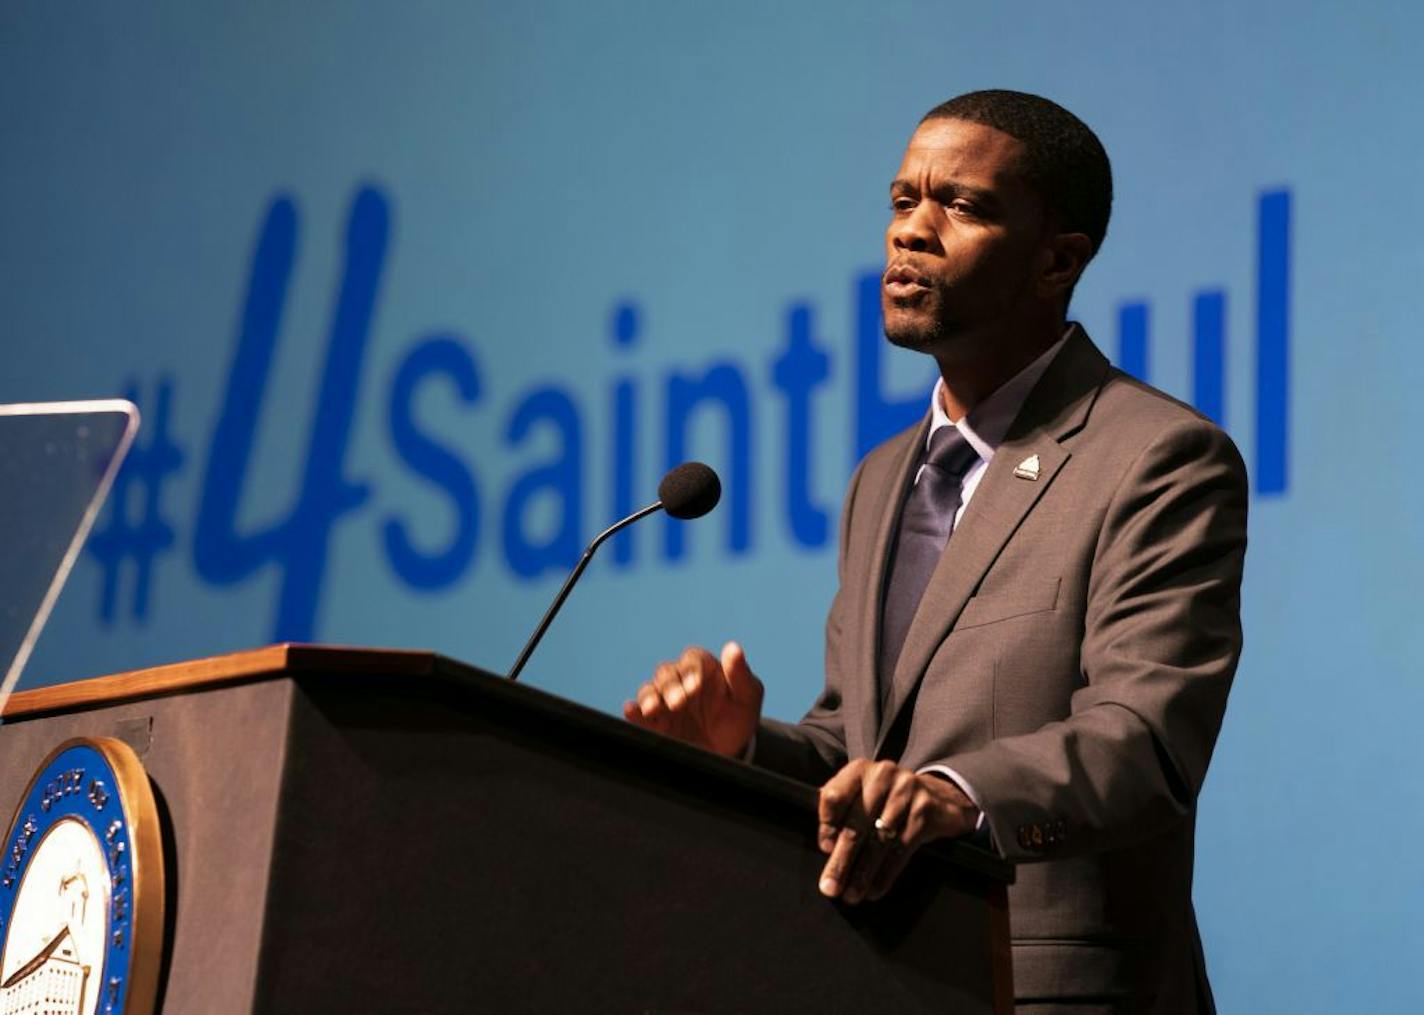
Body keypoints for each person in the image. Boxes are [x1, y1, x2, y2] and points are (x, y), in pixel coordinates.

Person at [624, 89, 1247, 1014]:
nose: (910, 231)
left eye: (961, 205)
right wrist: (743, 745)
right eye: (902, 199)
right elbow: (859, 743)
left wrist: (956, 793)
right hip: (874, 976)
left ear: (1057, 260)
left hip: (1053, 990)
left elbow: (1145, 742)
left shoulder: (1155, 457)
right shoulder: (882, 477)